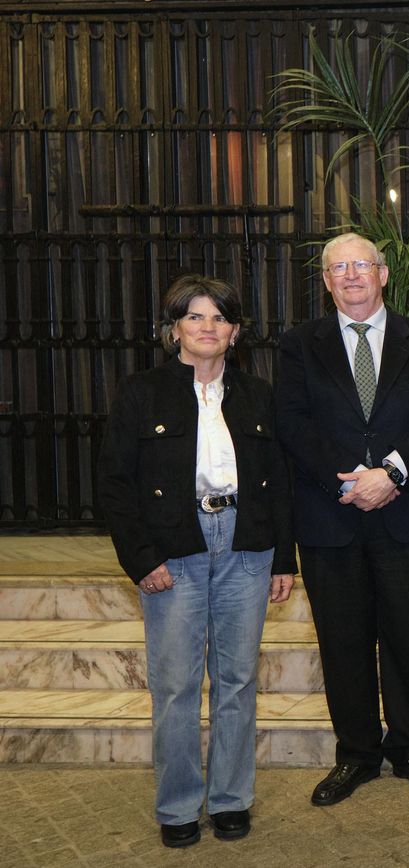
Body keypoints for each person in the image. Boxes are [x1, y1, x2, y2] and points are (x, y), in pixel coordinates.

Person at [98, 274, 296, 848]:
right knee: (176, 684)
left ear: (234, 332)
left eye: (219, 318)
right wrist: (141, 558)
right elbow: (115, 484)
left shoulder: (259, 394)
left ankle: (232, 799)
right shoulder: (141, 392)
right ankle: (179, 806)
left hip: (247, 544)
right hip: (173, 546)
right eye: (195, 317)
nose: (207, 328)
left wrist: (285, 557)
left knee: (236, 681)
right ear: (175, 329)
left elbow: (280, 481)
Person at [276, 233, 409, 807]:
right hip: (332, 516)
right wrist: (345, 480)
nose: (351, 275)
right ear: (326, 281)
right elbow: (293, 423)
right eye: (338, 268)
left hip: (407, 513)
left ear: (382, 273)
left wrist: (393, 473)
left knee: (408, 633)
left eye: (361, 265)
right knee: (343, 640)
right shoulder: (301, 344)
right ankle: (355, 753)